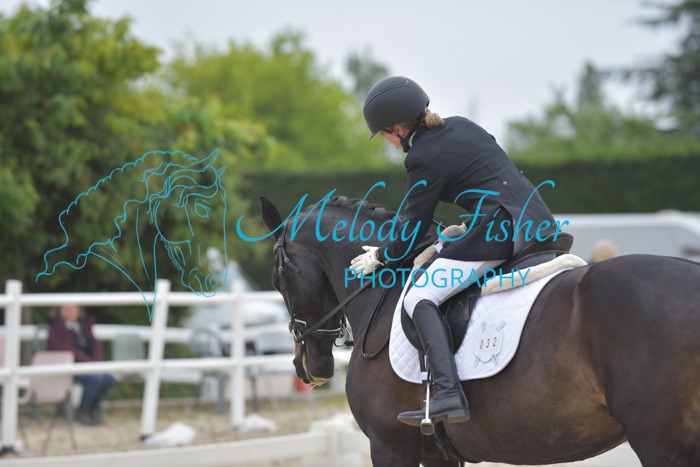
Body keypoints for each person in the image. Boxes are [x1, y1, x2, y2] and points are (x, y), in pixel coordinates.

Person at [349, 76, 560, 427]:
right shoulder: (462, 125)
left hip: (500, 232)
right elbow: (492, 179)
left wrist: (382, 256)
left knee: (419, 297)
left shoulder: (422, 157)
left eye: (383, 134)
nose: (386, 141)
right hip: (536, 222)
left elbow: (415, 225)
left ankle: (448, 392)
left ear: (396, 129)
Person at [47, 304, 116, 426]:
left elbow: (95, 345)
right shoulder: (56, 328)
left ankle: (92, 408)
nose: (70, 312)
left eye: (73, 309)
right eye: (67, 309)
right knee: (95, 379)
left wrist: (96, 361)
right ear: (61, 312)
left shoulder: (84, 326)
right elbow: (66, 349)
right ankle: (82, 411)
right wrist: (90, 362)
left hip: (88, 365)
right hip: (69, 367)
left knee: (109, 378)